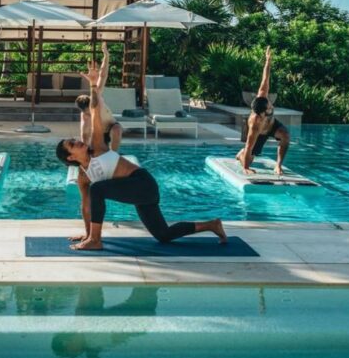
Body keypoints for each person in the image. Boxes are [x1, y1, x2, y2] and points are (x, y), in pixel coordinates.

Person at [56, 61, 226, 251]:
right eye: (72, 145)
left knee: (98, 189)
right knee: (164, 235)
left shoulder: (97, 147)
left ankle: (96, 241)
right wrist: (87, 233)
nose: (77, 141)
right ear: (70, 157)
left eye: (73, 140)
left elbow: (95, 112)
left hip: (143, 183)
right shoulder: (82, 175)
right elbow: (86, 205)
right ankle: (212, 225)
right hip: (139, 193)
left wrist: (94, 85)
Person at [236, 46, 290, 176]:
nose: (271, 106)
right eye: (269, 108)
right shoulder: (255, 123)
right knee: (249, 156)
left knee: (285, 135)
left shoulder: (262, 96)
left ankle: (278, 166)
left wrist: (268, 61)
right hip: (260, 133)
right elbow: (249, 145)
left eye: (269, 104)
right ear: (261, 114)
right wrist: (246, 168)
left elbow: (265, 78)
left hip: (272, 126)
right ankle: (240, 155)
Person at [75, 42, 122, 151]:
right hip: (98, 133)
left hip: (111, 127)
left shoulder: (97, 98)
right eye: (89, 112)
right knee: (90, 145)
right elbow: (84, 137)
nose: (92, 112)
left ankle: (113, 155)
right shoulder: (85, 117)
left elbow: (103, 75)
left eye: (91, 108)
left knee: (117, 129)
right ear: (84, 112)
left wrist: (106, 56)